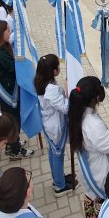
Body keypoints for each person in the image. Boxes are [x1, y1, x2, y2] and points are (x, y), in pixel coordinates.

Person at [69, 76, 109, 218]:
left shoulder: (76, 112)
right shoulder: (92, 124)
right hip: (98, 174)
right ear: (95, 98)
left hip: (87, 170)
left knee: (90, 199)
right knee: (101, 205)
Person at [0, 21, 31, 160]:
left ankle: (13, 141)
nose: (9, 33)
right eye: (8, 31)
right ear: (0, 33)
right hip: (8, 90)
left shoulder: (1, 47)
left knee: (13, 117)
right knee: (12, 118)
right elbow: (13, 67)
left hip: (8, 85)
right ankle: (13, 149)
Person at [34, 54, 75, 194]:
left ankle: (58, 179)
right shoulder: (51, 89)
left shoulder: (41, 81)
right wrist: (69, 93)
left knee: (53, 153)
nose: (59, 68)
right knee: (57, 154)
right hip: (55, 126)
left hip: (49, 124)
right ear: (53, 71)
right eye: (57, 66)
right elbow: (65, 107)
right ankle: (60, 186)